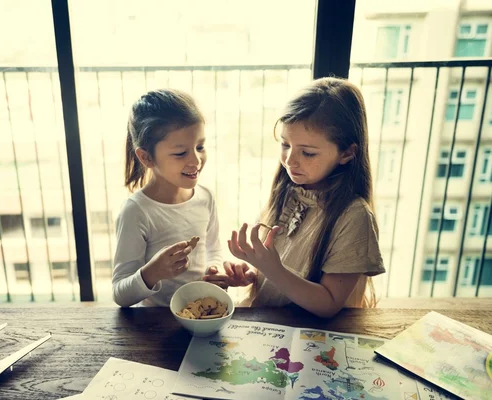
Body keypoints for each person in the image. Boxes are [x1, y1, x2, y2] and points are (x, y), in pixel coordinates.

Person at [205, 77, 385, 318]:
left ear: (347, 153)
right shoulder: (288, 191)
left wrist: (273, 268)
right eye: (285, 145)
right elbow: (278, 272)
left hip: (313, 338)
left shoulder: (354, 216)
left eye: (308, 153)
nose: (290, 160)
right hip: (267, 326)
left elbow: (328, 304)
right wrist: (250, 273)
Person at [112, 89, 222, 307]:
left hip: (203, 316)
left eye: (200, 147)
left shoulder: (205, 197)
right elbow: (120, 294)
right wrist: (152, 273)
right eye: (181, 153)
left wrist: (215, 271)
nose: (196, 160)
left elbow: (213, 249)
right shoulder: (136, 212)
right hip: (157, 326)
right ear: (146, 157)